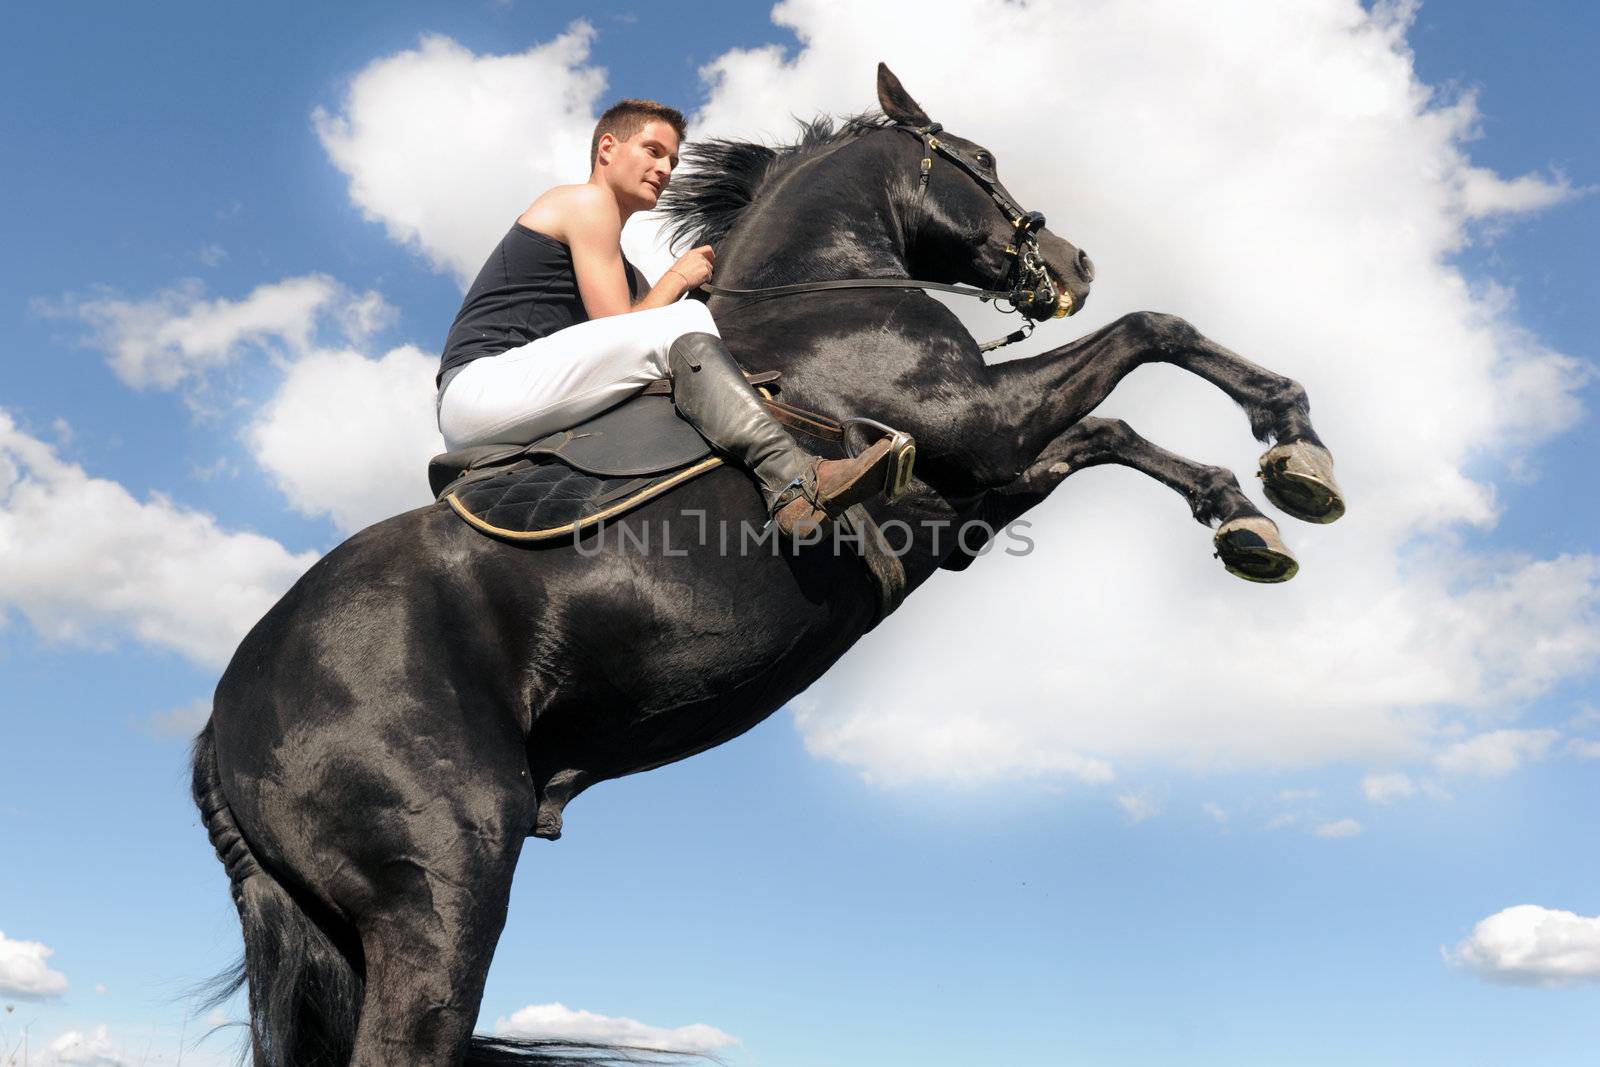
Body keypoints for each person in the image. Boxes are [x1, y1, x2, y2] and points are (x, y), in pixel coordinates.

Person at [435, 98, 910, 536]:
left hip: (514, 396)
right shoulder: (584, 202)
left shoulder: (626, 269)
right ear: (607, 148)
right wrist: (678, 277)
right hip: (483, 388)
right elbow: (618, 323)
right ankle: (794, 478)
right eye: (653, 150)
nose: (664, 169)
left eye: (673, 161)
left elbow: (643, 326)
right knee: (679, 319)